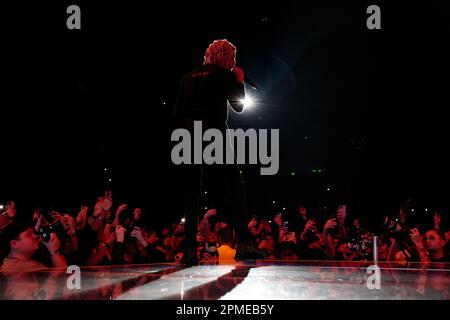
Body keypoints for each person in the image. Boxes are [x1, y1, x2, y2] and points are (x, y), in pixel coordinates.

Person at [173, 39, 265, 266]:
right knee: (235, 186)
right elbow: (239, 106)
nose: (234, 62)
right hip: (215, 135)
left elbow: (178, 111)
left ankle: (189, 252)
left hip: (188, 135)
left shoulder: (187, 78)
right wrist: (239, 79)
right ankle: (244, 244)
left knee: (191, 193)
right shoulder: (225, 76)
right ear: (227, 58)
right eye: (233, 58)